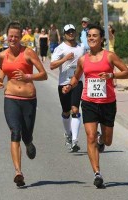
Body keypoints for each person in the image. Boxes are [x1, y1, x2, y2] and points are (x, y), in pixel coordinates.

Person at [62, 23, 128, 188]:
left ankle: (102, 139)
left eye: (95, 36)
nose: (91, 38)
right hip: (88, 102)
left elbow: (127, 73)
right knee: (90, 137)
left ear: (101, 39)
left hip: (108, 103)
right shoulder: (82, 59)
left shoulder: (110, 56)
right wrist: (69, 86)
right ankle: (97, 173)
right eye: (89, 36)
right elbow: (76, 77)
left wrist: (111, 74)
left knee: (107, 141)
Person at [0, 21, 48, 187]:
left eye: (16, 37)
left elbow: (44, 74)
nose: (12, 39)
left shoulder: (28, 53)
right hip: (10, 97)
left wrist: (28, 77)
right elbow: (2, 68)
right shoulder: (3, 55)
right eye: (10, 36)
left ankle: (29, 142)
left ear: (20, 38)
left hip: (28, 99)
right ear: (7, 36)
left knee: (26, 134)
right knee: (15, 132)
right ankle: (18, 172)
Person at [50, 24, 86, 152]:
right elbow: (52, 66)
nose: (71, 33)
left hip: (77, 82)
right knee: (66, 111)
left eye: (72, 31)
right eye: (68, 32)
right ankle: (68, 134)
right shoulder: (60, 48)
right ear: (64, 34)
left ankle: (75, 140)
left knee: (75, 109)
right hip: (63, 83)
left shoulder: (82, 47)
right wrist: (65, 58)